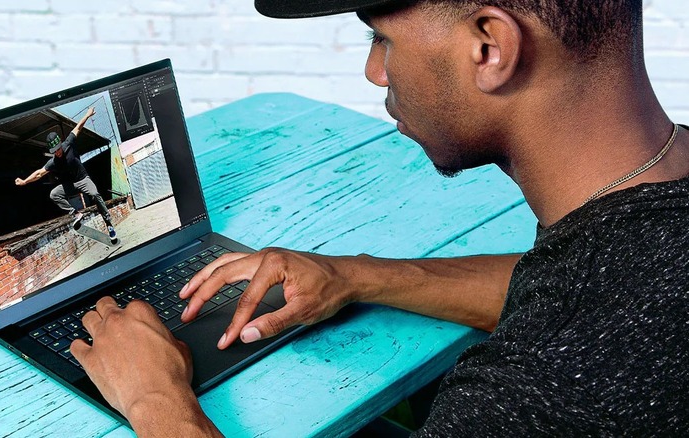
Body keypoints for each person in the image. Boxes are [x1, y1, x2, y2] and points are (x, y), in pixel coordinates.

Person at [70, 0, 689, 435]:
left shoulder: (548, 386)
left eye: (381, 38)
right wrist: (356, 275)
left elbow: (581, 315)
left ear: (490, 46)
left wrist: (155, 396)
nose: (374, 72)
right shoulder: (641, 224)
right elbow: (574, 280)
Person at [15, 107, 118, 243]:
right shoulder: (53, 162)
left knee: (94, 194)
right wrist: (24, 181)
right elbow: (39, 173)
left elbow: (78, 127)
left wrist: (87, 114)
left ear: (60, 144)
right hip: (70, 185)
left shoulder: (68, 143)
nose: (57, 153)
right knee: (54, 194)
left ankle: (109, 224)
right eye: (54, 151)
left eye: (58, 149)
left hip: (83, 179)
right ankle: (76, 213)